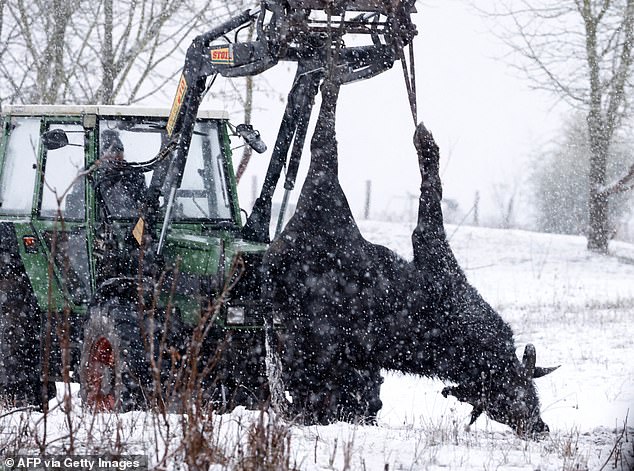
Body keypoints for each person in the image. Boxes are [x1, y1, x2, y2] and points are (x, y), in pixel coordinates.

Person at [96, 129, 147, 219]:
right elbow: (80, 203)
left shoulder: (134, 174)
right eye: (111, 152)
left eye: (119, 151)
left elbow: (143, 204)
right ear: (102, 154)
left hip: (129, 223)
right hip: (101, 223)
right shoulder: (94, 175)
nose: (115, 156)